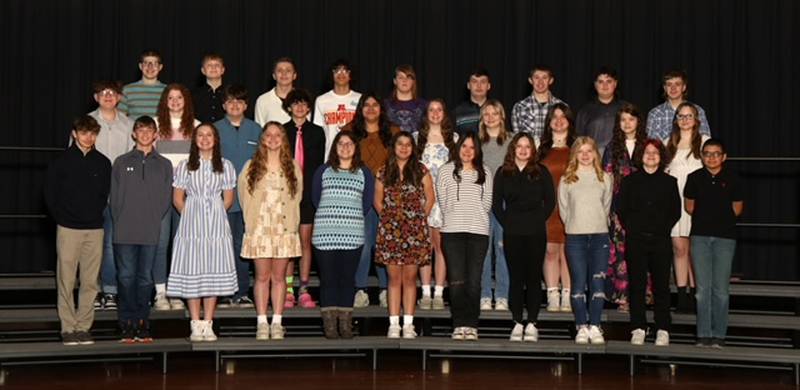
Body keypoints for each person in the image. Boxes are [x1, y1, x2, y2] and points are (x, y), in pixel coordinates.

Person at [167, 123, 238, 342]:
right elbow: (177, 198)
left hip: (216, 224)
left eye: (209, 135)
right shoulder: (185, 166)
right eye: (200, 135)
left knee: (213, 269)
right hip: (191, 223)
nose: (205, 139)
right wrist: (192, 213)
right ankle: (195, 323)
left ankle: (208, 322)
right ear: (194, 139)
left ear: (215, 139)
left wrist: (213, 213)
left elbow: (228, 199)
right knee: (193, 269)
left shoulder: (225, 166)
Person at [44, 115, 111, 345]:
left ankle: (83, 327)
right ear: (74, 133)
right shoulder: (60, 161)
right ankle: (68, 327)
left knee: (90, 281)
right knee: (66, 280)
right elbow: (50, 195)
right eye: (84, 132)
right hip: (68, 229)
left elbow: (104, 195)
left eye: (92, 133)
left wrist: (94, 216)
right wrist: (63, 218)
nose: (88, 137)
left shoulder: (103, 162)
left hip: (94, 229)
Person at [110, 116, 173, 343]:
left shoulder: (164, 164)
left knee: (145, 278)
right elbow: (114, 199)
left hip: (150, 230)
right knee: (126, 277)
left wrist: (153, 218)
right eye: (141, 130)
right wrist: (122, 219)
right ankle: (126, 321)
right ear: (134, 134)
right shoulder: (120, 161)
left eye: (150, 130)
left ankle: (142, 322)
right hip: (124, 230)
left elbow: (166, 198)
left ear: (156, 134)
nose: (145, 134)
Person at [238, 122, 303, 341]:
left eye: (278, 135)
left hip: (283, 229)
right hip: (260, 228)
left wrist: (292, 226)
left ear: (283, 139)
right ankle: (261, 322)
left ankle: (277, 321)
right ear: (262, 139)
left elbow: (297, 198)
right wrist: (253, 224)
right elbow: (243, 196)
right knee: (262, 276)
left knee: (279, 277)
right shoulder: (250, 166)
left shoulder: (293, 167)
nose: (273, 138)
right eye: (269, 135)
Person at [617, 139, 681, 346]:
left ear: (661, 156)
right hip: (636, 241)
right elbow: (621, 210)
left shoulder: (669, 182)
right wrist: (634, 229)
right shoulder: (629, 181)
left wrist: (661, 229)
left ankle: (663, 328)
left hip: (660, 241)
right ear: (640, 156)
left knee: (661, 287)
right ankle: (638, 327)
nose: (651, 155)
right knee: (637, 286)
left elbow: (675, 212)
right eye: (647, 152)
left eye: (655, 152)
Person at [311, 132, 375, 339]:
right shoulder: (323, 171)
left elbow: (366, 204)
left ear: (356, 147)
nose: (345, 147)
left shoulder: (364, 173)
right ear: (334, 147)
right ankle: (330, 325)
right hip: (324, 234)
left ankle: (345, 324)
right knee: (328, 279)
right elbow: (315, 198)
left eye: (350, 143)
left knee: (348, 280)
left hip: (352, 234)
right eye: (341, 143)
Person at [493, 132, 555, 342]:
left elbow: (550, 201)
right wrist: (508, 223)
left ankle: (532, 323)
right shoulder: (503, 172)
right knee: (516, 279)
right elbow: (496, 204)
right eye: (519, 146)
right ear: (513, 149)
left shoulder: (541, 171)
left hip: (536, 232)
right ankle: (518, 321)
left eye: (527, 146)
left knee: (533, 278)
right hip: (512, 232)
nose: (523, 150)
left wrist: (538, 220)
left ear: (532, 150)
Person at [342, 93, 400, 308]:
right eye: (366, 105)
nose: (371, 108)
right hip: (359, 196)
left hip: (388, 196)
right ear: (360, 109)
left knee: (384, 243)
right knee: (364, 244)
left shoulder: (393, 132)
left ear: (382, 109)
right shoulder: (349, 132)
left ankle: (386, 289)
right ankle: (360, 289)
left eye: (376, 105)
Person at [375, 132, 434, 339]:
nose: (404, 148)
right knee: (393, 279)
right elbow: (377, 201)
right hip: (391, 232)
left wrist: (416, 220)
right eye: (400, 144)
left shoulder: (421, 170)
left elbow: (430, 198)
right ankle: (393, 324)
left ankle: (408, 323)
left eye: (408, 144)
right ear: (394, 147)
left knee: (410, 279)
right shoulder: (383, 171)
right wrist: (391, 221)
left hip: (415, 232)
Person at [685, 138, 744, 348]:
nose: (711, 157)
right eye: (707, 153)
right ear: (702, 156)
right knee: (702, 290)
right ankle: (703, 335)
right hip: (700, 237)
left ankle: (719, 335)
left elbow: (737, 208)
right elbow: (689, 206)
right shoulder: (694, 178)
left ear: (724, 156)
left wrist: (721, 220)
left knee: (720, 290)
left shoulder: (733, 179)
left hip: (725, 238)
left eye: (716, 153)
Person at [437, 132, 493, 341]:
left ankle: (472, 325)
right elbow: (443, 202)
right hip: (452, 232)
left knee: (474, 281)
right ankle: (458, 324)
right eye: (464, 147)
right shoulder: (445, 171)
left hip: (478, 232)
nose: (467, 151)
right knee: (457, 280)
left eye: (472, 147)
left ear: (477, 151)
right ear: (458, 148)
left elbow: (486, 204)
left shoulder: (485, 172)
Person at [559, 136, 613, 345]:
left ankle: (595, 325)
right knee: (578, 285)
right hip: (575, 238)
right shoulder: (567, 179)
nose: (585, 155)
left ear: (595, 154)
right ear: (575, 154)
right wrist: (576, 225)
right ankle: (581, 325)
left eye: (589, 151)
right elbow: (564, 210)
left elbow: (606, 207)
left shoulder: (605, 178)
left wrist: (596, 224)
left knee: (597, 283)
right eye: (580, 151)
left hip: (599, 237)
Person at [87, 80, 135, 311]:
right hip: (89, 195)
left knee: (110, 244)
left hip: (118, 195)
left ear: (118, 98)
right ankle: (90, 290)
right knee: (89, 245)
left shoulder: (128, 125)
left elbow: (131, 162)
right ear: (96, 97)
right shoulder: (86, 122)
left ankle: (109, 290)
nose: (108, 96)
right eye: (103, 93)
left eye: (112, 93)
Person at [152, 84, 200, 311]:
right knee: (160, 244)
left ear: (186, 100)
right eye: (170, 97)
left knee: (181, 245)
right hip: (159, 194)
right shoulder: (154, 126)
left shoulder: (196, 127)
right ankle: (161, 292)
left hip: (187, 196)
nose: (174, 101)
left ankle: (178, 291)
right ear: (164, 100)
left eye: (179, 97)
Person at [214, 84, 262, 309]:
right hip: (220, 199)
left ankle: (242, 291)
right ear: (224, 105)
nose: (235, 105)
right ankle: (223, 291)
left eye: (239, 102)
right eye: (230, 101)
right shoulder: (213, 130)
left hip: (250, 201)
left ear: (246, 106)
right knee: (221, 246)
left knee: (243, 246)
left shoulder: (256, 130)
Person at [602, 103, 648, 312]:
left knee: (642, 251)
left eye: (631, 119)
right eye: (623, 119)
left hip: (643, 207)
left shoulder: (648, 145)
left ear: (638, 121)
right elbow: (606, 179)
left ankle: (641, 295)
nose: (627, 123)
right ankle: (621, 296)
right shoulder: (612, 148)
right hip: (619, 208)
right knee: (619, 252)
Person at [283, 89, 326, 309]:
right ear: (289, 107)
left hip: (309, 193)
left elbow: (319, 166)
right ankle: (288, 289)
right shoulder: (281, 131)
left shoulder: (317, 132)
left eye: (303, 104)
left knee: (305, 241)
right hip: (287, 194)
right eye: (295, 104)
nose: (299, 108)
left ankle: (304, 287)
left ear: (309, 108)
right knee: (290, 241)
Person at [666, 102, 710, 313]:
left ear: (696, 119)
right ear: (676, 120)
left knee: (695, 250)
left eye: (689, 116)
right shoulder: (668, 143)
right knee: (679, 248)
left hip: (698, 202)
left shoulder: (704, 142)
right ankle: (681, 296)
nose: (685, 120)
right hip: (674, 202)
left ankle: (696, 294)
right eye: (681, 116)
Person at [415, 99, 458, 310]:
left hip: (444, 200)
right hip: (422, 199)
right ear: (426, 114)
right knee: (425, 247)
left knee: (441, 246)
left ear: (444, 113)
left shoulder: (454, 139)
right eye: (431, 110)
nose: (435, 113)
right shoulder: (416, 139)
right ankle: (425, 291)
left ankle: (439, 291)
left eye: (439, 109)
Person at [538, 103, 575, 312]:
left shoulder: (577, 149)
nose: (559, 121)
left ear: (569, 121)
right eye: (555, 117)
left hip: (571, 208)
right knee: (550, 252)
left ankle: (568, 295)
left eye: (563, 117)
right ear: (549, 122)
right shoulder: (541, 150)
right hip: (547, 208)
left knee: (568, 252)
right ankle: (552, 293)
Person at [478, 99, 511, 312]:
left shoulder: (512, 141)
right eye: (486, 114)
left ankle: (501, 295)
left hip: (505, 202)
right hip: (481, 202)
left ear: (502, 116)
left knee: (503, 249)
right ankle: (483, 294)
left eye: (495, 113)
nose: (490, 117)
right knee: (483, 250)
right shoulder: (476, 142)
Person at [313, 59, 362, 155]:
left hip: (355, 156)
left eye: (345, 70)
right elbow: (318, 133)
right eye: (337, 70)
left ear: (350, 75)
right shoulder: (321, 100)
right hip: (330, 156)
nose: (341, 74)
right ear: (332, 74)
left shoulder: (360, 98)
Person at [646, 70, 711, 141]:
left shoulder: (698, 111)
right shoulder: (655, 114)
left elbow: (706, 142)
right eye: (669, 84)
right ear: (664, 88)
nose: (673, 88)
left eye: (677, 84)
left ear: (684, 87)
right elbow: (650, 145)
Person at [576, 66, 627, 156]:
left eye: (609, 81)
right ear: (595, 85)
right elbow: (579, 141)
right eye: (600, 82)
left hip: (621, 161)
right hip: (593, 161)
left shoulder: (626, 108)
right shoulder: (585, 111)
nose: (605, 85)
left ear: (615, 84)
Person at [511, 65, 566, 142]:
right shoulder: (519, 107)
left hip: (553, 152)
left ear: (551, 80)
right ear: (530, 80)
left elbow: (567, 136)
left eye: (544, 77)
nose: (540, 82)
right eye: (536, 78)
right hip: (529, 153)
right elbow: (517, 139)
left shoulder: (562, 106)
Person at [119, 49, 167, 119]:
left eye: (154, 64)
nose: (150, 67)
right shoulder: (127, 90)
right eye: (146, 63)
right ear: (140, 66)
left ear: (160, 67)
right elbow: (120, 118)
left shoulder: (168, 91)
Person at [255, 57, 298, 126]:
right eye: (279, 71)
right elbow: (260, 131)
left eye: (288, 71)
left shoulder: (303, 100)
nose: (284, 74)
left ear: (294, 75)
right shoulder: (262, 100)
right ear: (274, 76)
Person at [384, 64, 427, 133]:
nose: (405, 80)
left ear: (413, 81)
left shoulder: (424, 105)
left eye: (408, 77)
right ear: (395, 81)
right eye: (401, 77)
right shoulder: (385, 105)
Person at [454, 67, 491, 136]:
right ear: (468, 85)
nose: (479, 86)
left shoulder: (497, 111)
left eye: (483, 82)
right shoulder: (458, 111)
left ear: (488, 86)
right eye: (474, 81)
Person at [192, 53, 226, 123]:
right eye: (209, 65)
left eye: (217, 65)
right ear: (203, 71)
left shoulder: (230, 94)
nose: (213, 68)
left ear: (222, 70)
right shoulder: (193, 94)